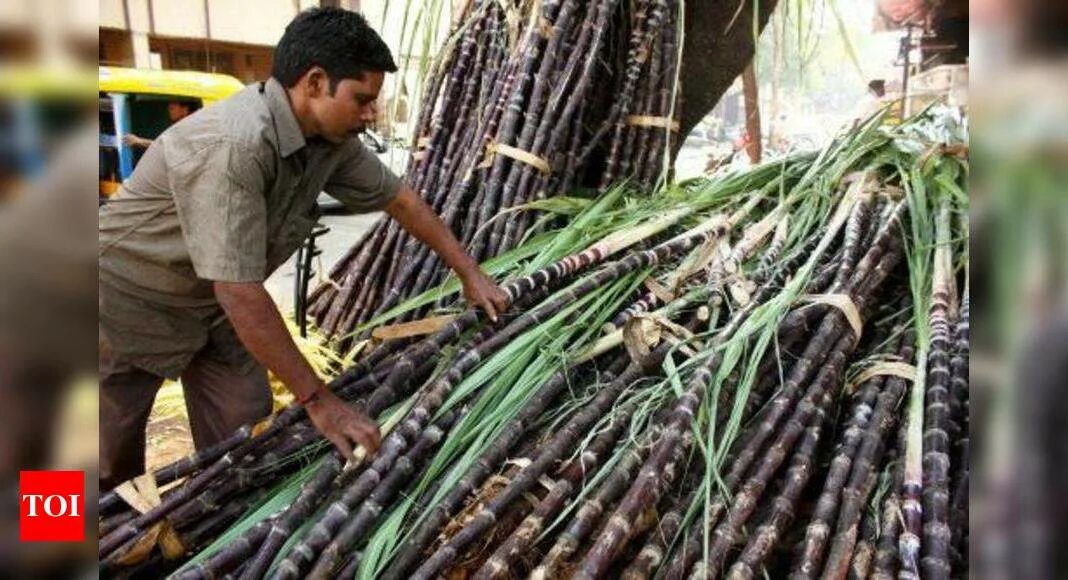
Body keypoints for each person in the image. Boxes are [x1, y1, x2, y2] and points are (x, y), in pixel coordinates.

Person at [97, 7, 509, 491]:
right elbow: (238, 288)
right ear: (314, 83)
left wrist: (468, 272)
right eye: (362, 99)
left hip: (210, 308)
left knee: (243, 432)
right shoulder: (235, 145)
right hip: (122, 302)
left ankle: (206, 536)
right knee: (100, 458)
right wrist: (318, 400)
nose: (371, 113)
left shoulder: (329, 141)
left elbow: (400, 200)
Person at [121, 100, 198, 149]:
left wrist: (139, 141)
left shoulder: (189, 128)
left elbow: (169, 147)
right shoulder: (181, 125)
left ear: (185, 110)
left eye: (172, 108)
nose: (169, 112)